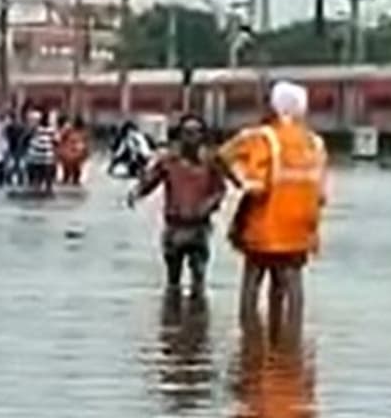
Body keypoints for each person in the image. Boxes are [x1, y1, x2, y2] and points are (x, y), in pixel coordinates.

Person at [219, 82, 328, 330]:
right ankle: (290, 344)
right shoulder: (315, 143)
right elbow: (321, 194)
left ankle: (251, 340)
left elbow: (224, 156)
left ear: (274, 107)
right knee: (292, 286)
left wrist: (237, 181)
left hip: (264, 224)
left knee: (252, 284)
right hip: (301, 228)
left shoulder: (261, 136)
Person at [127, 113, 229, 294]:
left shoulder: (211, 161)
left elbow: (221, 189)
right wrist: (136, 193)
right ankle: (173, 314)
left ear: (202, 136)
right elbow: (151, 181)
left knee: (199, 278)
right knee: (172, 280)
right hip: (174, 226)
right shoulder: (169, 161)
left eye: (196, 132)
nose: (192, 137)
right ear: (180, 135)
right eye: (187, 132)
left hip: (199, 227)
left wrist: (210, 204)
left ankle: (196, 316)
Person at [24, 110, 57, 194]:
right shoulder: (51, 129)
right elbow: (56, 141)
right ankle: (47, 188)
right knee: (46, 174)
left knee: (38, 173)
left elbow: (26, 138)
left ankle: (37, 187)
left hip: (36, 155)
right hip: (46, 155)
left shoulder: (36, 128)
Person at [57, 116, 90, 186]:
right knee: (76, 170)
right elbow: (86, 146)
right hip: (76, 154)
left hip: (67, 154)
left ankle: (67, 179)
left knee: (67, 170)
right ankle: (74, 180)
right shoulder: (83, 133)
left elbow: (60, 138)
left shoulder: (70, 131)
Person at [4, 110, 28, 186]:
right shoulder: (22, 126)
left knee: (12, 164)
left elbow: (6, 137)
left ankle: (9, 179)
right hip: (20, 148)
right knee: (19, 165)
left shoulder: (9, 127)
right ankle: (20, 180)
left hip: (12, 148)